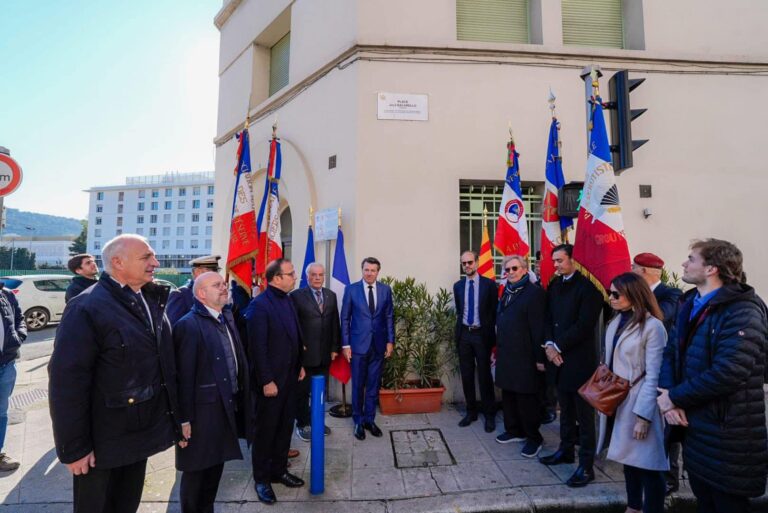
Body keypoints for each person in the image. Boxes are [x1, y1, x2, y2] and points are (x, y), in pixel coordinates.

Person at [48, 234, 179, 513]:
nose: (155, 263)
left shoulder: (146, 299)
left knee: (126, 505)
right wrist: (75, 448)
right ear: (118, 262)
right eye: (146, 257)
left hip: (138, 435)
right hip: (101, 444)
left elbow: (161, 365)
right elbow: (67, 383)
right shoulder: (86, 307)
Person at [658, 239, 768, 513]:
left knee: (727, 504)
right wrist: (670, 400)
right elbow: (671, 353)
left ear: (712, 269)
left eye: (691, 259)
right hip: (696, 430)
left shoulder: (743, 310)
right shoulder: (689, 302)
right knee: (704, 501)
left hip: (728, 434)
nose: (684, 263)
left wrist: (673, 397)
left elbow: (730, 371)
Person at [173, 271, 252, 513]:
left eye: (224, 283)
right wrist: (183, 420)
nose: (224, 287)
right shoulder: (188, 325)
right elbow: (183, 377)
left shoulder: (225, 317)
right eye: (217, 285)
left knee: (215, 469)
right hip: (200, 415)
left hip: (225, 408)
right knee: (197, 473)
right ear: (201, 294)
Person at [596, 272, 668, 513]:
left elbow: (654, 375)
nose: (611, 297)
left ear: (634, 294)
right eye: (610, 292)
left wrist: (644, 416)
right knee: (629, 460)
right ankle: (634, 507)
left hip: (639, 401)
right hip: (618, 399)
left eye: (616, 293)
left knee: (649, 465)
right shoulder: (615, 322)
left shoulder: (653, 327)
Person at [538, 243, 603, 488]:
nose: (555, 265)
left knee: (584, 418)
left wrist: (558, 346)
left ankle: (586, 465)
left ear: (574, 260)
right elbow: (547, 318)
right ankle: (565, 451)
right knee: (564, 411)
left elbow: (584, 325)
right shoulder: (555, 284)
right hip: (557, 359)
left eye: (559, 261)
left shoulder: (589, 287)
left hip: (579, 361)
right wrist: (548, 344)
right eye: (554, 261)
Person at [244, 258, 305, 504]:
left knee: (284, 428)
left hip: (290, 379)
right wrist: (267, 380)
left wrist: (299, 364)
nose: (295, 277)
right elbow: (257, 349)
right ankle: (262, 479)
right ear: (276, 278)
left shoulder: (288, 300)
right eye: (290, 274)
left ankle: (279, 471)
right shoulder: (260, 306)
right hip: (271, 384)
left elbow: (293, 335)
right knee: (266, 432)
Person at [631, 251, 683, 495]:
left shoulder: (671, 294)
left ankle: (670, 477)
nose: (631, 271)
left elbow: (662, 319)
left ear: (643, 272)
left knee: (667, 426)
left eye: (634, 268)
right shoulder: (634, 296)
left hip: (664, 371)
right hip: (637, 370)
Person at [493, 255, 546, 458]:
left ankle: (534, 437)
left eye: (514, 268)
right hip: (507, 353)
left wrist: (540, 358)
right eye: (507, 270)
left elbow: (538, 328)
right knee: (509, 394)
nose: (510, 272)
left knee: (526, 399)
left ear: (525, 269)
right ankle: (514, 430)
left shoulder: (534, 293)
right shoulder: (507, 291)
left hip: (525, 356)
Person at [340, 257, 395, 441]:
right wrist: (346, 345)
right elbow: (345, 318)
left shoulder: (385, 290)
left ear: (378, 272)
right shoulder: (351, 290)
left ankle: (370, 420)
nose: (369, 273)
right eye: (366, 270)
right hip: (357, 346)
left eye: (373, 270)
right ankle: (358, 421)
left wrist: (390, 342)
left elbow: (389, 317)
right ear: (362, 270)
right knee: (358, 385)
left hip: (378, 345)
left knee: (373, 385)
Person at [290, 262, 341, 441]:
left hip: (325, 354)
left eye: (320, 274)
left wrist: (335, 347)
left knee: (319, 392)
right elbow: (292, 325)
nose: (318, 278)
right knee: (302, 393)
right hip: (305, 356)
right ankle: (303, 423)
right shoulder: (296, 296)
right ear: (307, 276)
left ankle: (317, 421)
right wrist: (297, 348)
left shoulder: (331, 295)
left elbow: (335, 323)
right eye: (314, 275)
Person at [453, 250, 498, 432]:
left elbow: (494, 312)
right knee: (466, 374)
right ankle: (471, 412)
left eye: (470, 262)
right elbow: (459, 309)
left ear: (477, 263)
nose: (467, 266)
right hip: (464, 334)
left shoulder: (489, 285)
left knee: (485, 375)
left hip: (482, 335)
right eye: (464, 263)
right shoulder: (458, 286)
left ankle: (489, 415)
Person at [0, 280, 26, 472]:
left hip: (6, 364)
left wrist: (18, 337)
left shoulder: (6, 293)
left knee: (1, 412)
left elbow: (19, 317)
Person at [166, 255, 222, 325]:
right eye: (212, 271)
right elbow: (173, 328)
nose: (216, 274)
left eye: (217, 271)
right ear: (198, 272)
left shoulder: (212, 293)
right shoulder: (181, 294)